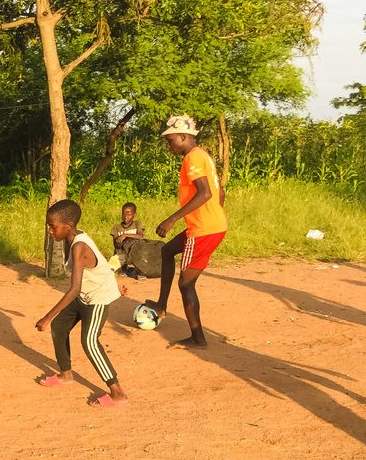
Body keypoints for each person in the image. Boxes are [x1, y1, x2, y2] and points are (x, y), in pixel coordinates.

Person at [142, 115, 228, 348]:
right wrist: (215, 215)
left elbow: (205, 193)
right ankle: (161, 306)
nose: (168, 145)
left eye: (170, 140)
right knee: (167, 251)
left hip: (203, 230)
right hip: (210, 225)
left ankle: (198, 337)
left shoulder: (192, 158)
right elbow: (219, 192)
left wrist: (171, 219)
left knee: (186, 284)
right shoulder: (202, 155)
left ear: (183, 136)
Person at [35, 199, 128, 408]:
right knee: (60, 326)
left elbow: (74, 288)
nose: (50, 231)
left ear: (68, 226)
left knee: (89, 341)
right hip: (85, 294)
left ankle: (118, 393)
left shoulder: (79, 246)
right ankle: (66, 374)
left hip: (97, 298)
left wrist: (47, 317)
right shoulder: (70, 239)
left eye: (53, 227)